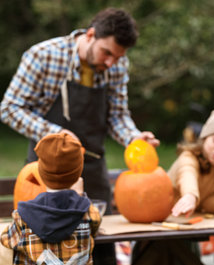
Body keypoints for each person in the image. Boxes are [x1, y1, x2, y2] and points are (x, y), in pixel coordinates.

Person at [0, 8, 159, 265]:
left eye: (117, 57)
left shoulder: (116, 66)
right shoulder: (42, 56)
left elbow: (117, 116)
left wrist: (134, 139)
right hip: (46, 174)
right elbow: (9, 108)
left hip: (94, 174)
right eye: (106, 53)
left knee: (101, 250)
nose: (110, 63)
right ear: (91, 35)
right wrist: (54, 135)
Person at [132, 105, 214, 265]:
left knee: (175, 245)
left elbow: (207, 204)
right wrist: (190, 195)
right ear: (205, 137)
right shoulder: (189, 156)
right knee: (164, 245)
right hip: (160, 223)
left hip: (184, 228)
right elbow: (187, 174)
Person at [1, 132, 101, 264]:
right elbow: (94, 230)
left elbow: (5, 241)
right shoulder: (89, 213)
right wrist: (79, 197)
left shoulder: (22, 217)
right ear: (78, 175)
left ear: (41, 173)